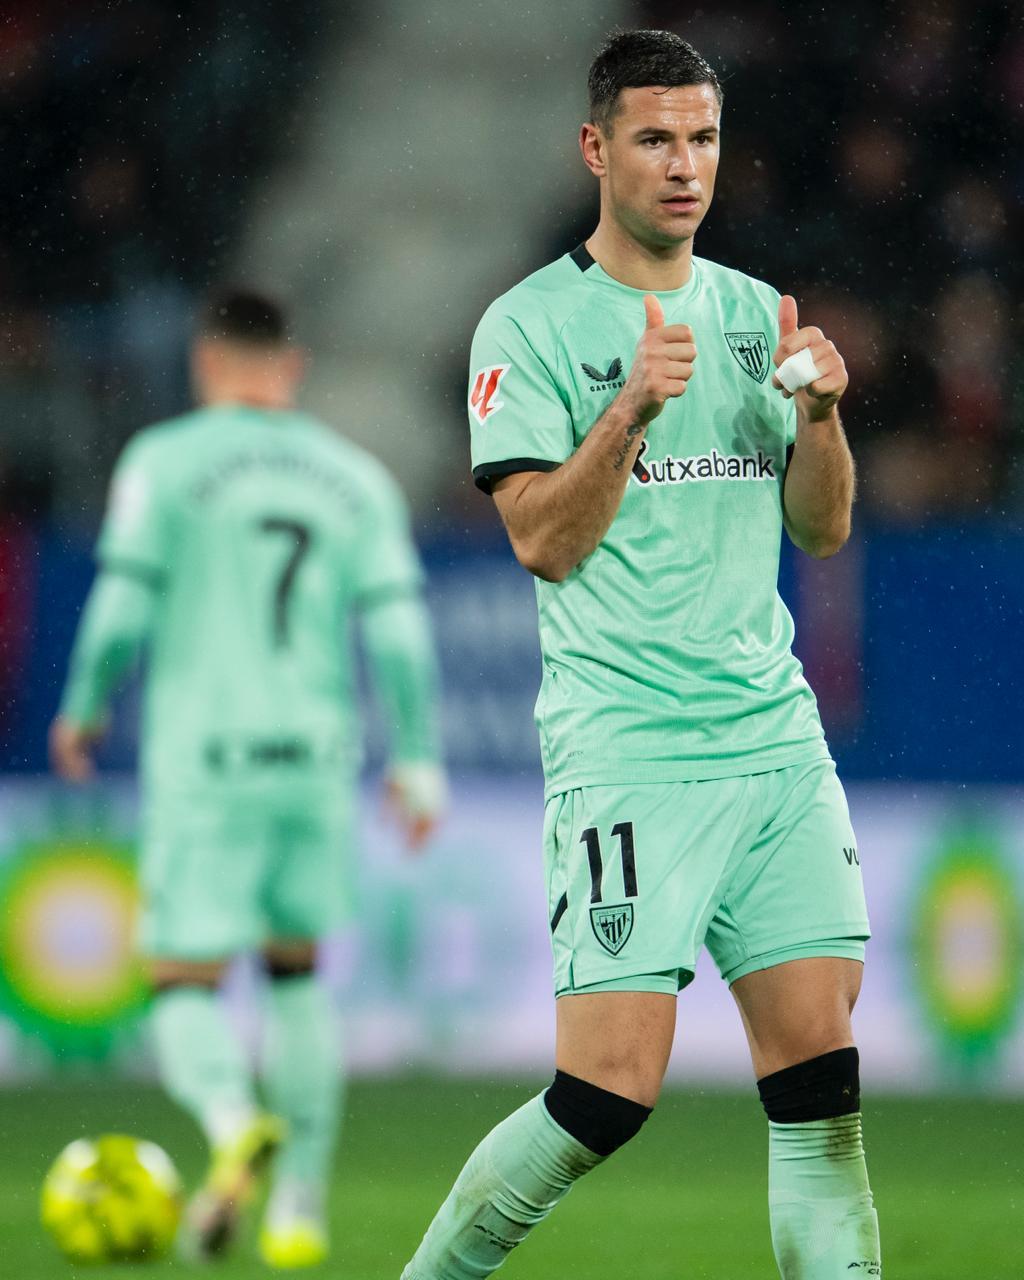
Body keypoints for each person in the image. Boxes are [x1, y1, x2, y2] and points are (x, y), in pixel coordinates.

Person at [403, 29, 879, 1280]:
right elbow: (541, 541)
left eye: (703, 138)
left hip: (772, 745)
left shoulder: (749, 313)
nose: (684, 165)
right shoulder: (529, 323)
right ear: (595, 148)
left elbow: (822, 528)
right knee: (602, 1094)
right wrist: (630, 409)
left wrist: (821, 418)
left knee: (821, 1083)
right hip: (631, 749)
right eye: (656, 138)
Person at [51, 289, 446, 1268]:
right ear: (291, 366)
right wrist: (416, 757)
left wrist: (84, 705)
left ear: (205, 363)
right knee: (295, 969)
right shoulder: (354, 477)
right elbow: (399, 631)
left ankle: (233, 1123)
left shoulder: (164, 462)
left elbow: (120, 610)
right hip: (314, 758)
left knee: (181, 978)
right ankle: (299, 1208)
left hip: (209, 759)